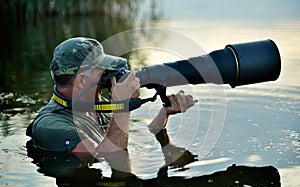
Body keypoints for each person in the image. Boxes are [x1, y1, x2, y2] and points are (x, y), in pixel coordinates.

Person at [26, 37, 196, 158]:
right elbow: (111, 157)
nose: (109, 76)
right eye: (103, 71)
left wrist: (164, 113)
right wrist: (122, 106)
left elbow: (130, 135)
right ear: (82, 81)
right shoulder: (51, 126)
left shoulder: (94, 105)